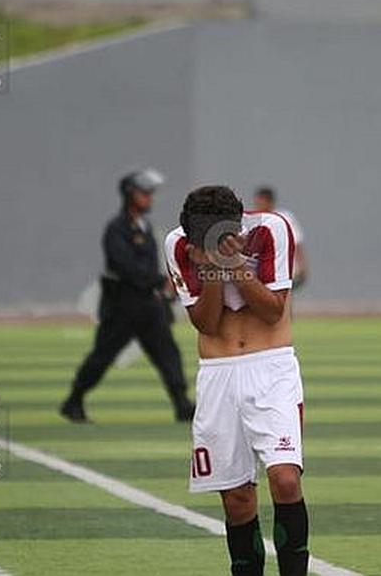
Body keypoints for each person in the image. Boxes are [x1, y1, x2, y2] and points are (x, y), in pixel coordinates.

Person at [165, 186, 309, 576]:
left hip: (271, 369)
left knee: (285, 479)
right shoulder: (178, 244)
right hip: (218, 374)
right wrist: (212, 267)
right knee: (237, 500)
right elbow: (206, 323)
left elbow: (273, 311)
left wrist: (235, 265)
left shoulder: (271, 229)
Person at [60, 169, 194, 423]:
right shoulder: (116, 228)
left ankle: (181, 403)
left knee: (168, 353)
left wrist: (164, 291)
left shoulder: (144, 226)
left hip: (147, 305)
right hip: (122, 306)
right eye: (145, 193)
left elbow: (149, 267)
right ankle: (74, 400)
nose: (150, 198)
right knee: (102, 356)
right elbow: (126, 267)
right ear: (130, 195)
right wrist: (160, 281)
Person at [252, 187, 307, 289]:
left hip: (286, 267)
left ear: (269, 201)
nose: (257, 206)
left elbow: (297, 242)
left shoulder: (285, 218)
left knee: (284, 298)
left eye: (260, 202)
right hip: (265, 268)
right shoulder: (256, 220)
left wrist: (302, 265)